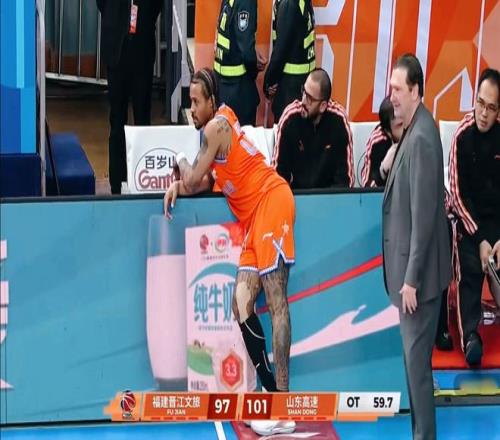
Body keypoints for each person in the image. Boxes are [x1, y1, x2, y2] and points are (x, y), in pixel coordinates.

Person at [164, 68, 296, 436]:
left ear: (211, 102)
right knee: (241, 304)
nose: (191, 108)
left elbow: (193, 176)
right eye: (189, 101)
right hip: (254, 218)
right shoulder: (218, 133)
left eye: (196, 102)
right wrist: (179, 185)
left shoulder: (216, 127)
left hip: (272, 200)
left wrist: (179, 159)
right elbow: (202, 182)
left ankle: (282, 404)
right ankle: (268, 396)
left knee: (277, 302)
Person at [383, 54, 451, 440]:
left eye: (397, 89)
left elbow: (424, 218)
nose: (391, 95)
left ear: (415, 90)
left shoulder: (422, 137)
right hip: (416, 278)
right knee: (413, 367)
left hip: (419, 284)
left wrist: (410, 280)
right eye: (390, 87)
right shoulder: (415, 128)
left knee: (417, 370)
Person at [448, 68, 500, 367]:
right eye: (480, 103)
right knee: (469, 266)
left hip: (498, 223)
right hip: (470, 223)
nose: (483, 113)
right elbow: (456, 196)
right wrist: (480, 238)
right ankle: (471, 336)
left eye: (491, 107)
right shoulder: (462, 135)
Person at [96, 0, 162, 194]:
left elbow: (156, 6)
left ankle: (142, 180)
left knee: (143, 119)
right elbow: (102, 4)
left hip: (142, 47)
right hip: (116, 48)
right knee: (117, 121)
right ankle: (117, 183)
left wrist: (144, 21)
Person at [272, 68, 354, 189]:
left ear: (323, 106)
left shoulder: (339, 121)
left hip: (329, 197)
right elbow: (277, 176)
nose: (303, 101)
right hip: (296, 196)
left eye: (310, 98)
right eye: (304, 91)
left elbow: (345, 180)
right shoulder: (290, 118)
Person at [213, 0, 267, 125]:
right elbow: (247, 52)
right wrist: (254, 69)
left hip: (223, 86)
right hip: (238, 92)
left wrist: (252, 54)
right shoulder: (246, 2)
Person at [263, 0, 315, 121]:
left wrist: (269, 82)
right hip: (302, 83)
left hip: (289, 89)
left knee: (286, 129)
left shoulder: (288, 4)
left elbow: (281, 50)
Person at [361, 97, 403, 187]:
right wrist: (383, 171)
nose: (406, 127)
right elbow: (368, 188)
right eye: (400, 125)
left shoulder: (416, 134)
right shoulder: (378, 142)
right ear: (388, 132)